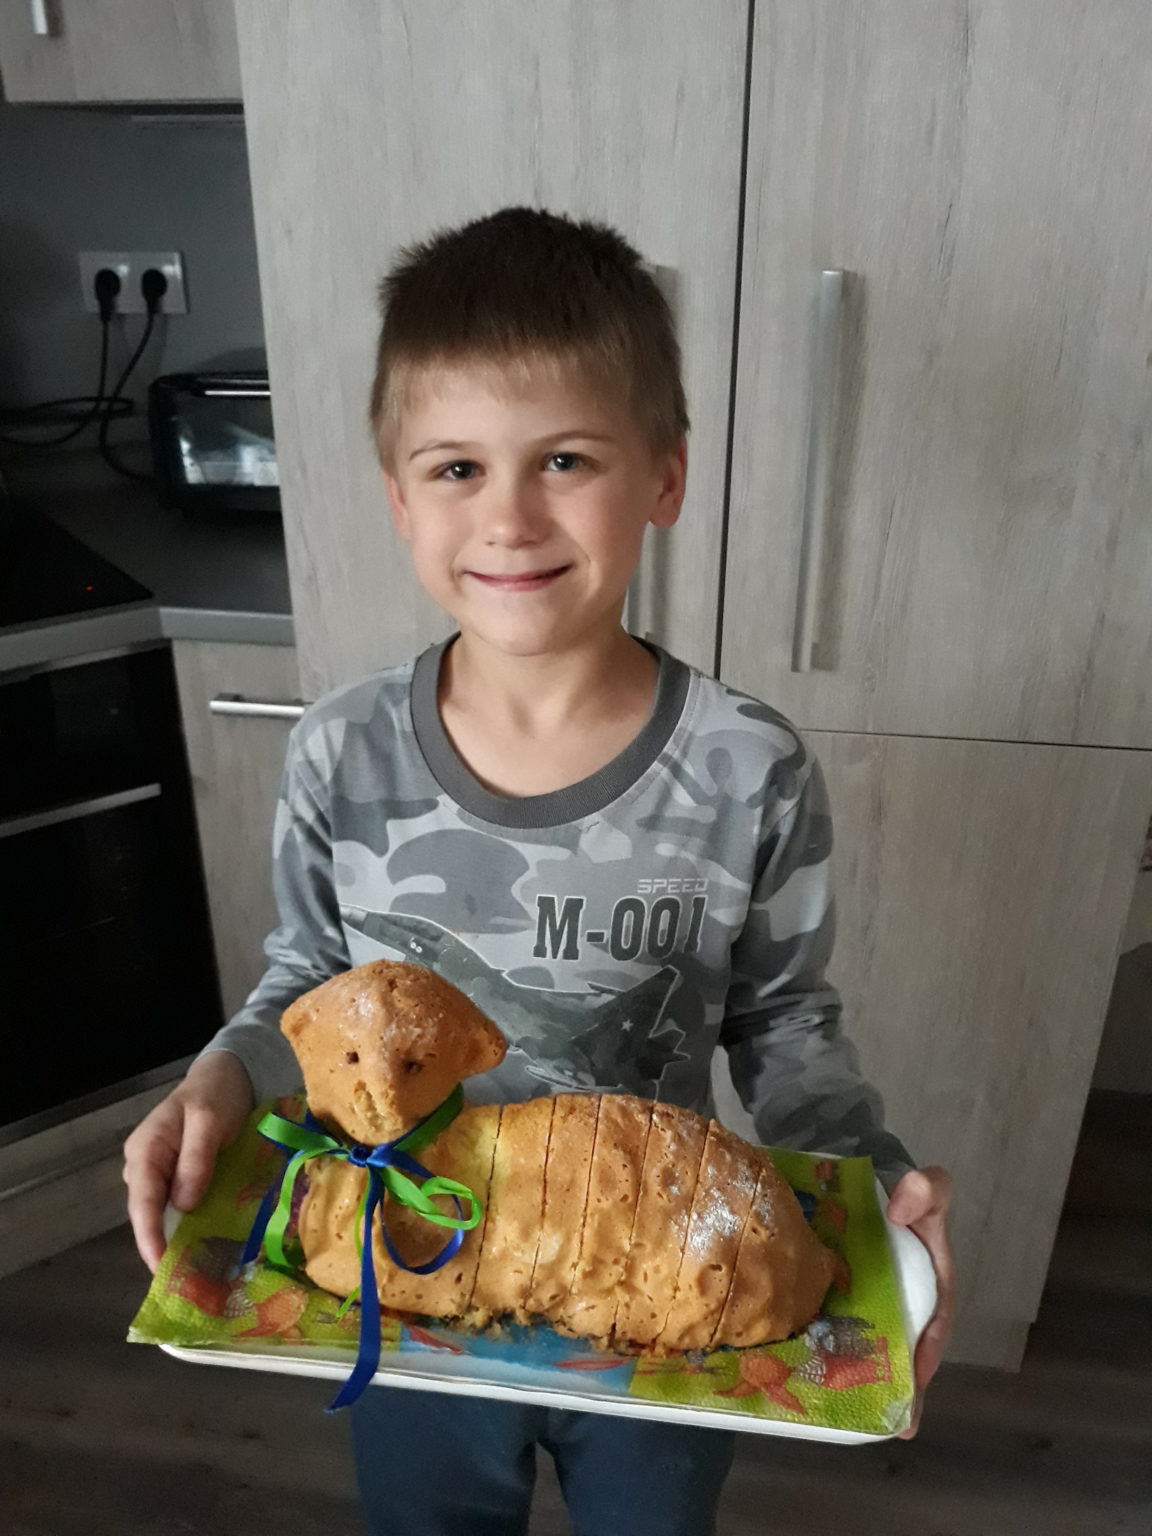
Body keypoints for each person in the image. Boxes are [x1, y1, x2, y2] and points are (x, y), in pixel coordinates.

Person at [124, 205, 955, 1536]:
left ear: (664, 479)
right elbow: (310, 985)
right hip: (410, 1272)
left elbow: (789, 1025)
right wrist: (224, 1074)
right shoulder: (341, 752)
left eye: (564, 459)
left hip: (664, 1286)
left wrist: (875, 1192)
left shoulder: (748, 768)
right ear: (400, 499)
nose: (509, 516)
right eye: (457, 467)